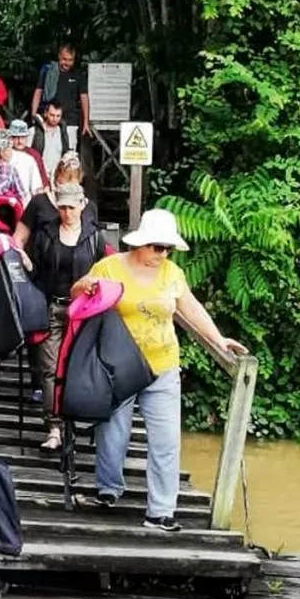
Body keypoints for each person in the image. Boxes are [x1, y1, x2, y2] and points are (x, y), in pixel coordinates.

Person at [71, 207, 247, 533]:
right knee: (113, 433)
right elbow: (77, 299)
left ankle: (161, 512)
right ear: (141, 243)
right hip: (119, 365)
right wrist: (84, 286)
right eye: (156, 247)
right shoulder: (110, 267)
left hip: (163, 365)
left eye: (167, 248)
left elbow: (190, 307)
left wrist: (218, 338)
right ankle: (108, 490)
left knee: (166, 441)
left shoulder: (171, 274)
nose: (161, 254)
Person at [27, 182, 108, 451]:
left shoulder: (95, 237)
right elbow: (34, 271)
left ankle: (73, 422)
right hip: (51, 306)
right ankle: (53, 427)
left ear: (82, 205)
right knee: (49, 368)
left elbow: (104, 272)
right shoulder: (45, 234)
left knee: (76, 367)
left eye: (71, 207)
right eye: (61, 207)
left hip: (83, 311)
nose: (66, 213)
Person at [16, 152, 98, 251]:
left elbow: (94, 241)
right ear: (56, 180)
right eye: (63, 184)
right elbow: (19, 237)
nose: (67, 191)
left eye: (72, 186)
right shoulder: (39, 202)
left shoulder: (90, 207)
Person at [30, 43, 90, 136]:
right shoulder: (48, 71)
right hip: (47, 120)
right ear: (59, 56)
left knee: (69, 150)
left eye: (70, 60)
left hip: (70, 121)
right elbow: (38, 92)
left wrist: (86, 122)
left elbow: (84, 98)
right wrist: (34, 115)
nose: (67, 63)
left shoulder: (78, 74)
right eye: (64, 59)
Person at [0, 119, 46, 203]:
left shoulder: (32, 156)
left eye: (23, 137)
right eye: (15, 137)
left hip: (25, 202)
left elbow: (39, 186)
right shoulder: (1, 155)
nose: (19, 141)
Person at [32, 100, 76, 179]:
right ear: (45, 113)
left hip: (58, 175)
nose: (55, 119)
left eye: (58, 116)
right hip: (39, 175)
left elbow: (67, 154)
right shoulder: (34, 131)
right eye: (52, 115)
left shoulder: (64, 132)